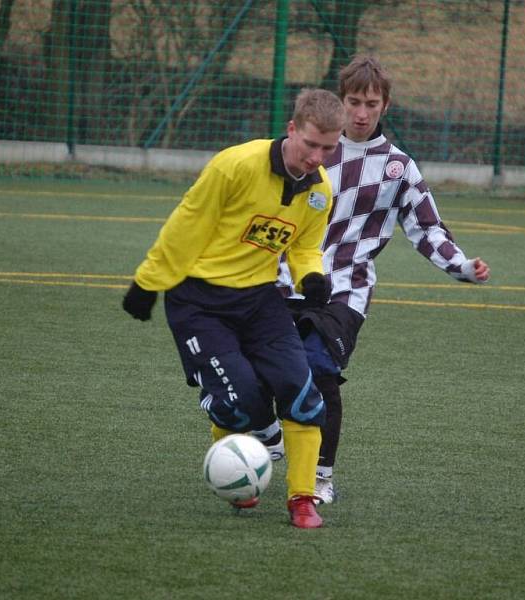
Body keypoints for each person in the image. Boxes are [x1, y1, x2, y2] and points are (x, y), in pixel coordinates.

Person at [255, 56, 491, 505]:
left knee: (320, 368)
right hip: (283, 280)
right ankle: (271, 437)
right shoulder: (311, 150)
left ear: (386, 106)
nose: (361, 113)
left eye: (371, 103)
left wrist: (461, 266)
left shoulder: (398, 168)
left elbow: (427, 229)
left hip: (346, 288)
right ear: (339, 102)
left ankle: (321, 477)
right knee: (265, 370)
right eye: (353, 102)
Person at [121, 88, 345, 529]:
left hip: (260, 300)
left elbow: (303, 246)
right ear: (292, 129)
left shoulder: (320, 192)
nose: (317, 157)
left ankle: (302, 499)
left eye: (329, 148)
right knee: (241, 402)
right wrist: (149, 282)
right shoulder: (236, 165)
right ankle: (234, 469)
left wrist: (310, 276)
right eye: (311, 144)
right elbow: (188, 224)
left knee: (302, 394)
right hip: (198, 301)